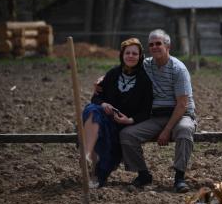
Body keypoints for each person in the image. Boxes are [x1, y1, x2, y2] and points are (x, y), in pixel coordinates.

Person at [119, 29, 196, 193]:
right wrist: (103, 79)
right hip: (156, 116)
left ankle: (179, 177)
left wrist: (167, 130)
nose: (154, 47)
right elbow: (124, 69)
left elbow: (182, 104)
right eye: (151, 44)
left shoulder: (178, 69)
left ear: (167, 46)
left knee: (184, 130)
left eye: (158, 43)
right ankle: (143, 174)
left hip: (180, 114)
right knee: (127, 134)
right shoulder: (146, 65)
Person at [82, 38, 152, 188]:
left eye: (135, 53)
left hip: (127, 124)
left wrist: (130, 120)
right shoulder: (112, 74)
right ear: (122, 55)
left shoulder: (145, 80)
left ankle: (100, 173)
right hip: (107, 119)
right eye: (128, 53)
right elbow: (96, 96)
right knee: (91, 109)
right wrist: (104, 104)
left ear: (140, 56)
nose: (131, 56)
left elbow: (147, 110)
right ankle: (92, 158)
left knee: (112, 137)